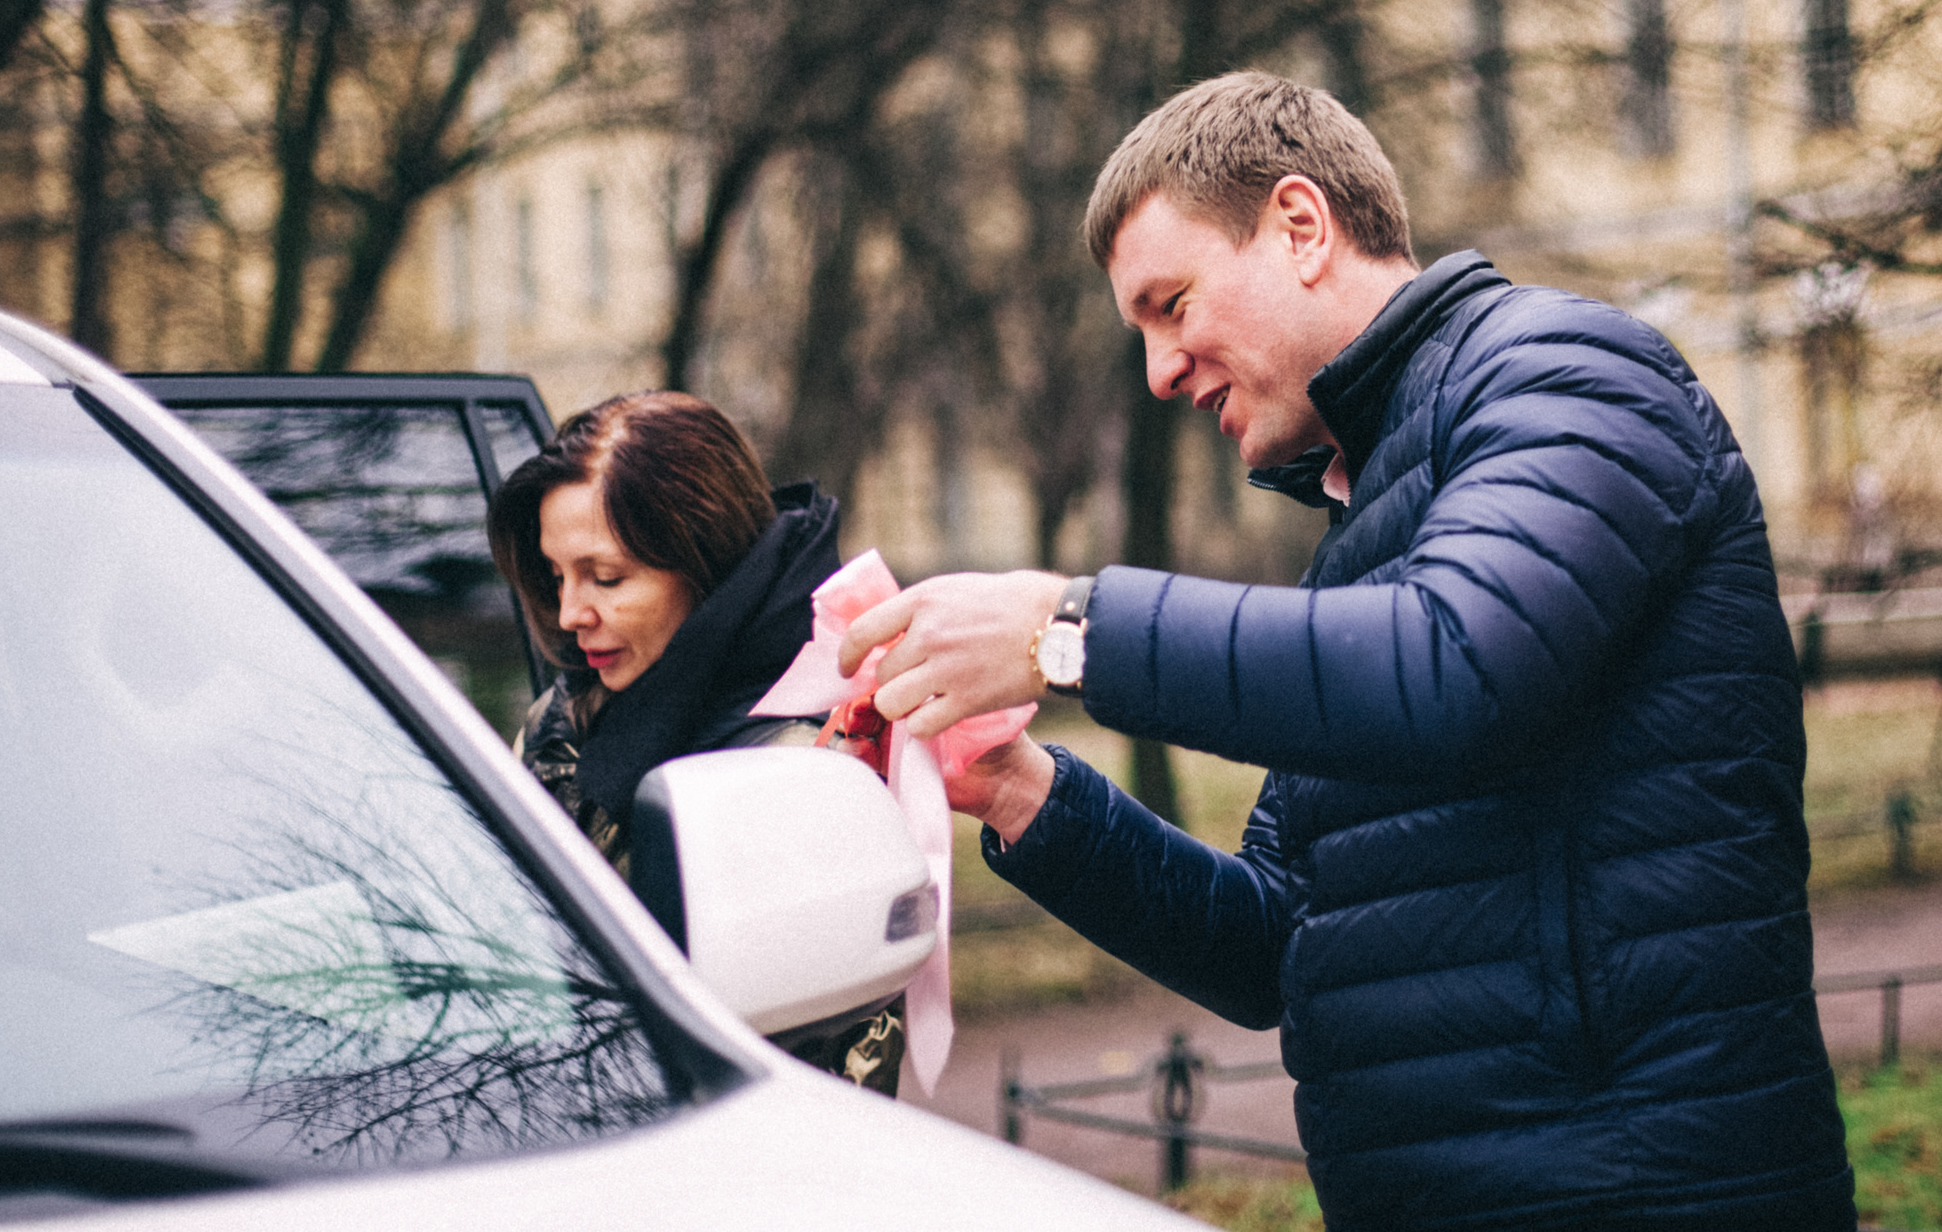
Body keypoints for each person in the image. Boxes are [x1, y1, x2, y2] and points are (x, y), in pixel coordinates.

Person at [838, 72, 1857, 1230]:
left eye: (1171, 305)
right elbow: (1274, 946)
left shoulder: (1568, 374)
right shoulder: (1371, 520)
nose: (1159, 372)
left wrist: (1065, 631)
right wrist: (1022, 792)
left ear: (1300, 227)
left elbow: (1453, 665)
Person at [485, 390, 904, 1095]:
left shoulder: (805, 764)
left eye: (606, 577)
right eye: (556, 576)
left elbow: (828, 1070)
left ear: (704, 565)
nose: (569, 613)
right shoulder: (565, 718)